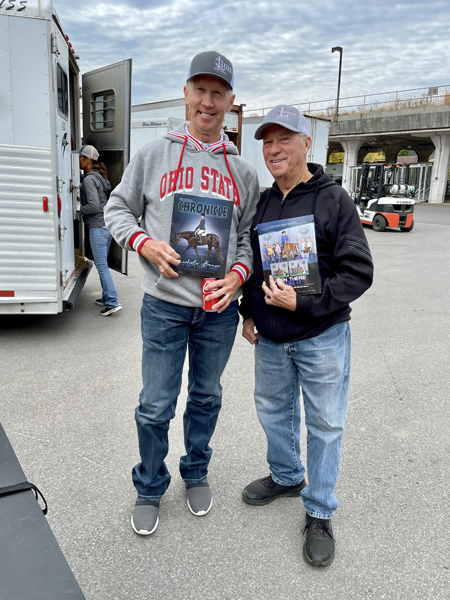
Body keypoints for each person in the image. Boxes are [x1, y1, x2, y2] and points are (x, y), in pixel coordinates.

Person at [104, 51, 259, 536]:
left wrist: (238, 274)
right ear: (186, 94)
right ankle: (150, 485)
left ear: (230, 102)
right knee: (155, 404)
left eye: (218, 93)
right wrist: (144, 244)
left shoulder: (244, 173)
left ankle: (195, 471)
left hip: (218, 311)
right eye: (200, 91)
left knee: (206, 397)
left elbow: (248, 238)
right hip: (164, 306)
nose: (208, 102)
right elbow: (116, 209)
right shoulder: (154, 156)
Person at [239, 105, 373, 567]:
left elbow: (358, 272)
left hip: (321, 334)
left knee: (325, 424)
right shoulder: (262, 202)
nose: (274, 149)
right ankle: (286, 475)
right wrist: (248, 313)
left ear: (305, 143)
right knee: (273, 411)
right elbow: (253, 265)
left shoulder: (334, 200)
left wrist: (304, 304)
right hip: (271, 339)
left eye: (284, 139)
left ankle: (319, 510)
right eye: (267, 142)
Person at [77, 144, 122, 316]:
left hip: (97, 227)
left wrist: (78, 210)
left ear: (87, 159)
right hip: (106, 226)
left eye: (80, 158)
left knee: (102, 266)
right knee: (102, 264)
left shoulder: (89, 180)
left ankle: (112, 302)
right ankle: (106, 297)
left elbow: (94, 205)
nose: (78, 161)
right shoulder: (100, 177)